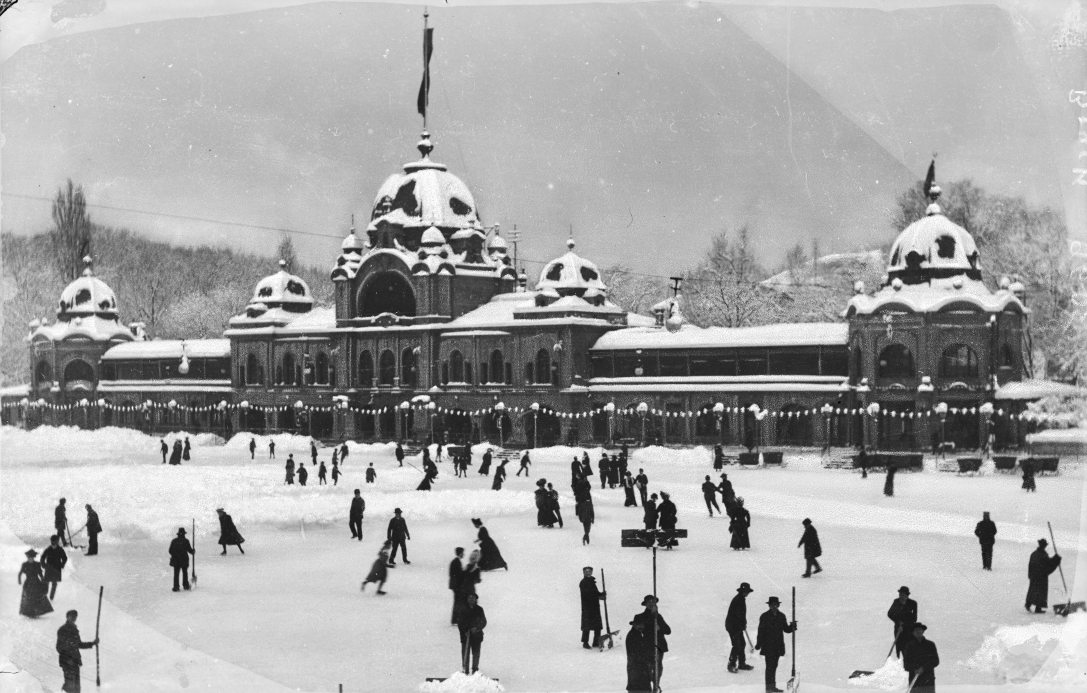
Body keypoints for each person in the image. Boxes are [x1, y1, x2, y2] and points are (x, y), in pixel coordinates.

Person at [755, 595, 797, 693]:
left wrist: (792, 626)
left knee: (774, 666)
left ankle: (772, 687)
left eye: (775, 605)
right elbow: (761, 631)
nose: (774, 607)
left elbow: (786, 629)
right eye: (772, 605)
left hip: (778, 646)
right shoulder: (764, 616)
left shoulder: (781, 616)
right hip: (768, 646)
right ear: (769, 606)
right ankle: (769, 688)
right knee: (770, 667)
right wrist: (758, 644)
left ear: (778, 605)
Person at [56, 609, 98, 693]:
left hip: (75, 661)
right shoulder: (63, 630)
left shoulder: (74, 630)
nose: (74, 618)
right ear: (67, 617)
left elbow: (79, 644)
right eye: (71, 616)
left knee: (76, 686)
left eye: (75, 617)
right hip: (67, 662)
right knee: (70, 685)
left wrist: (92, 643)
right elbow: (59, 647)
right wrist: (68, 659)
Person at [637, 595, 671, 691]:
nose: (651, 604)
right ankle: (648, 686)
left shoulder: (658, 617)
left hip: (659, 646)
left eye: (653, 602)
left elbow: (668, 630)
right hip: (647, 646)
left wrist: (660, 628)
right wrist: (652, 617)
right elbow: (640, 628)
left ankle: (656, 686)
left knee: (658, 666)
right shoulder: (640, 616)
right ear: (645, 604)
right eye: (649, 602)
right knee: (647, 667)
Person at [1025, 538, 1062, 613]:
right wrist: (1056, 559)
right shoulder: (1043, 555)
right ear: (1044, 546)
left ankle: (1028, 604)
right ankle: (1037, 608)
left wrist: (1030, 575)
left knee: (1033, 590)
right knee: (1040, 592)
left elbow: (1030, 565)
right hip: (1041, 577)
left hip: (1034, 576)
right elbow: (1048, 564)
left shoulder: (1034, 553)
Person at [726, 582, 755, 673]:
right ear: (742, 591)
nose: (747, 593)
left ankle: (742, 664)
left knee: (742, 643)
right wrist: (742, 623)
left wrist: (743, 623)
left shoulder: (741, 599)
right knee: (737, 645)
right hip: (732, 626)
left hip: (737, 625)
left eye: (747, 591)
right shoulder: (738, 600)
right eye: (745, 591)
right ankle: (731, 665)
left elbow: (741, 615)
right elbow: (738, 615)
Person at [901, 623, 939, 693]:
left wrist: (923, 668)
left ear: (923, 631)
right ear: (913, 632)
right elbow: (906, 664)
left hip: (928, 680)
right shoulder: (909, 646)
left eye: (920, 629)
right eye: (916, 630)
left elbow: (935, 661)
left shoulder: (930, 645)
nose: (918, 631)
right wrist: (915, 668)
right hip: (915, 681)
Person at [18, 549, 54, 617]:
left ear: (33, 558)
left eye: (31, 558)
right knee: (28, 598)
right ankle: (29, 612)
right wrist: (19, 581)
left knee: (37, 597)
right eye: (29, 558)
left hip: (36, 583)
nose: (30, 559)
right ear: (27, 558)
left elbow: (40, 573)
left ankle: (36, 612)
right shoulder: (25, 564)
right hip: (28, 583)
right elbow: (20, 573)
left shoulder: (37, 564)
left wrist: (43, 580)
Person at [458, 593, 487, 674]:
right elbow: (460, 623)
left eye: (473, 598)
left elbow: (483, 621)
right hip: (465, 636)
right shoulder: (463, 610)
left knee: (476, 653)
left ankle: (475, 670)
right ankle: (465, 670)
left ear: (476, 599)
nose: (471, 599)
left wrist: (477, 628)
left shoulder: (479, 609)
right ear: (467, 599)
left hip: (476, 636)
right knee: (465, 654)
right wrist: (465, 631)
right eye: (469, 598)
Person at [578, 566, 606, 649]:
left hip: (595, 607)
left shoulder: (592, 582)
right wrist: (598, 596)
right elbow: (587, 594)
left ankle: (596, 642)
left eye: (589, 571)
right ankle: (585, 643)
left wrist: (601, 594)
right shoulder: (583, 582)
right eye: (586, 571)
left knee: (597, 625)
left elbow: (595, 593)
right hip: (587, 608)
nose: (588, 573)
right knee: (586, 626)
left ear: (591, 572)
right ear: (583, 572)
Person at [625, 615, 655, 692]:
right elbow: (637, 654)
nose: (641, 626)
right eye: (639, 625)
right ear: (634, 625)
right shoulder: (633, 636)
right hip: (637, 672)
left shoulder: (638, 634)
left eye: (642, 625)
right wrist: (649, 659)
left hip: (640, 672)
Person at [887, 586, 918, 657]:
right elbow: (889, 613)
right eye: (900, 594)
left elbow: (914, 618)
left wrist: (905, 623)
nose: (901, 596)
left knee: (907, 647)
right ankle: (899, 660)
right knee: (898, 646)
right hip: (898, 628)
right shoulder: (896, 602)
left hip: (908, 629)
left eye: (903, 595)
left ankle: (907, 662)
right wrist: (898, 622)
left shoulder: (913, 603)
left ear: (907, 595)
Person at [41, 535, 68, 600]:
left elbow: (64, 558)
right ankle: (45, 594)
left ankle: (51, 596)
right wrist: (43, 565)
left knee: (54, 583)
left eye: (55, 544)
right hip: (49, 568)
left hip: (56, 568)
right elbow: (43, 557)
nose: (53, 545)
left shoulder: (60, 550)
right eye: (52, 543)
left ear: (57, 542)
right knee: (46, 582)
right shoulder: (48, 549)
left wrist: (62, 565)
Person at [168, 527, 195, 592]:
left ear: (178, 534)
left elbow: (170, 550)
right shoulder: (186, 541)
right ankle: (185, 585)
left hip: (176, 560)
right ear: (184, 534)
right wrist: (193, 551)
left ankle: (176, 587)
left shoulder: (174, 541)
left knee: (176, 574)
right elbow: (190, 550)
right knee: (185, 572)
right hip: (184, 560)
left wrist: (175, 555)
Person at [449, 547, 465, 625]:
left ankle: (455, 619)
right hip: (456, 585)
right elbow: (458, 575)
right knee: (458, 602)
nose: (463, 554)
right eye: (463, 553)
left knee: (457, 601)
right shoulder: (457, 562)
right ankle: (456, 619)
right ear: (460, 553)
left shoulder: (455, 561)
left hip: (455, 585)